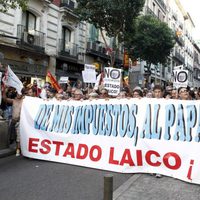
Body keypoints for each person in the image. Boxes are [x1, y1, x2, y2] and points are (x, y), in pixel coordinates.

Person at [3, 87, 25, 156]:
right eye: (18, 93)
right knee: (12, 136)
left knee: (18, 136)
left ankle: (18, 149)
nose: (19, 94)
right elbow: (5, 99)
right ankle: (18, 147)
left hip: (20, 121)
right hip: (13, 121)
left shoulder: (24, 101)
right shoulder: (14, 101)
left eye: (20, 93)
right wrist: (4, 91)